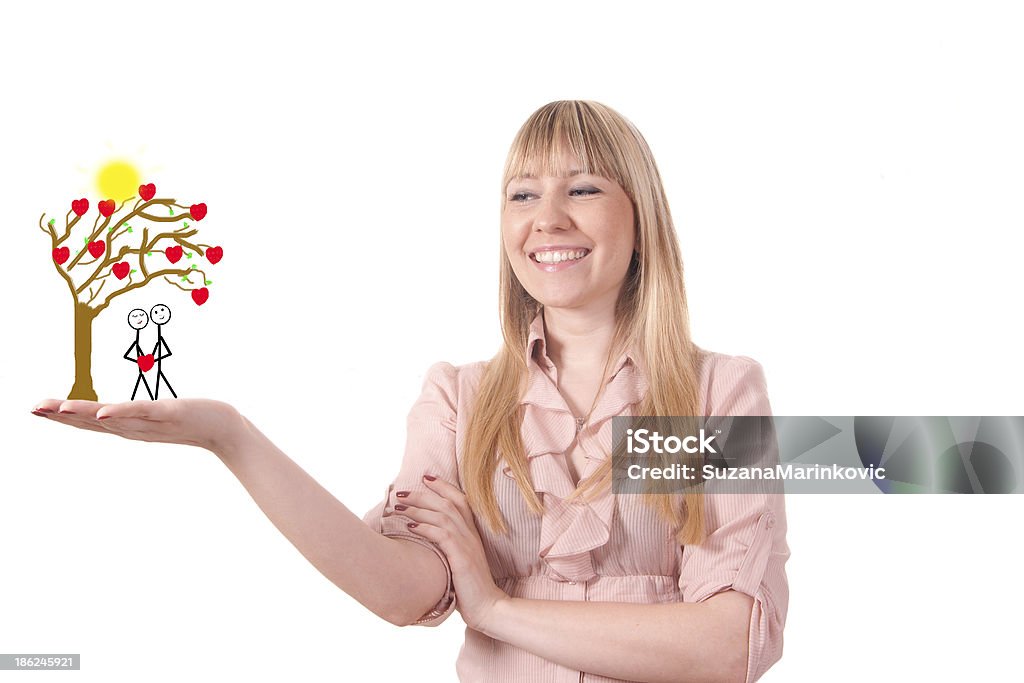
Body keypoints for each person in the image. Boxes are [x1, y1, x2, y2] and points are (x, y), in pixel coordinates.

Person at [32, 100, 789, 683]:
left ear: (642, 215)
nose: (547, 218)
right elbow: (403, 591)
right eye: (522, 194)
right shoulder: (462, 400)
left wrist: (494, 606)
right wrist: (230, 436)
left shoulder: (715, 392)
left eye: (583, 187)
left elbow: (732, 642)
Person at [124, 308, 155, 400]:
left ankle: (151, 397)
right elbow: (127, 355)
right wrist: (137, 360)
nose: (138, 318)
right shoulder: (136, 343)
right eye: (135, 316)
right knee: (142, 381)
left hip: (145, 362)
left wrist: (153, 359)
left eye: (141, 316)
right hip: (141, 363)